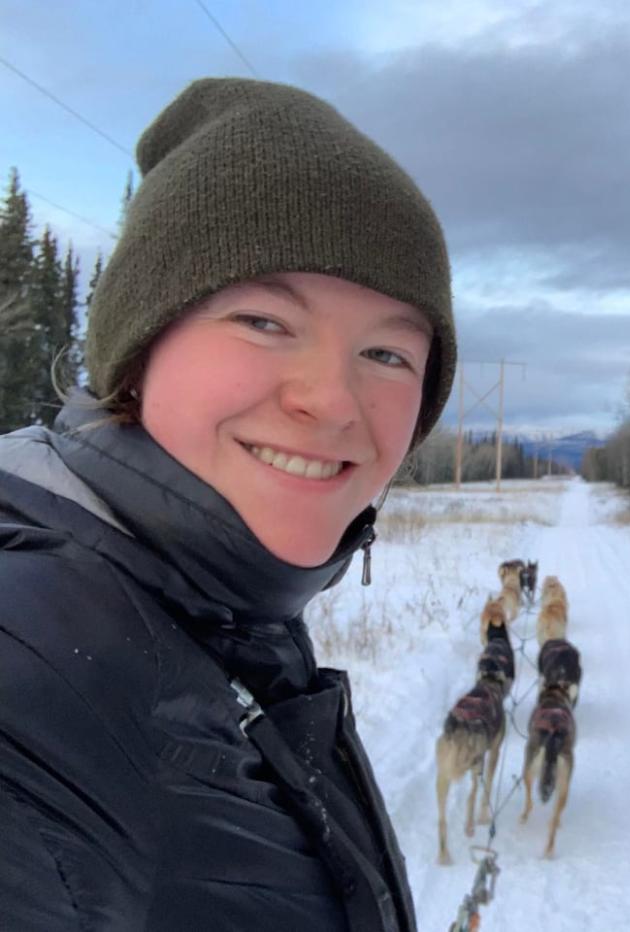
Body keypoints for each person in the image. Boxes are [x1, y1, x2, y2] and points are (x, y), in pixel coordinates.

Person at [0, 77, 455, 931]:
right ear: (139, 344)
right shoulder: (27, 683)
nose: (332, 399)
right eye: (263, 321)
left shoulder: (222, 605)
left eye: (389, 354)